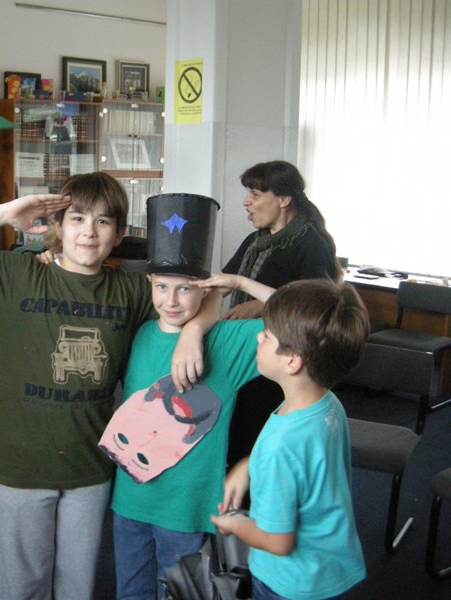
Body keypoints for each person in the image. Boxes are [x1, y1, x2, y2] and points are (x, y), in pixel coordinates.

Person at [0, 173, 220, 600]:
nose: (89, 231)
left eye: (103, 222)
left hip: (89, 466)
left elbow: (206, 291)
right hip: (19, 465)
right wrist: (7, 212)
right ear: (57, 226)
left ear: (119, 234)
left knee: (77, 587)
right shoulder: (18, 275)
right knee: (23, 588)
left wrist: (193, 332)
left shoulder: (130, 289)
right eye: (77, 218)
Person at [104, 193, 269, 600]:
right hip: (130, 500)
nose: (172, 301)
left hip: (187, 508)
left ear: (207, 289)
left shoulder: (227, 342)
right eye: (162, 287)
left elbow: (311, 317)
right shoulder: (142, 333)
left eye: (186, 289)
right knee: (131, 592)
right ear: (149, 283)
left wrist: (238, 285)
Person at [211, 277, 368, 600]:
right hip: (328, 568)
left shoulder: (281, 446)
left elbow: (277, 540)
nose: (258, 336)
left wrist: (236, 525)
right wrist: (248, 466)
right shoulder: (326, 404)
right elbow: (306, 462)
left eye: (267, 335)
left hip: (287, 584)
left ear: (292, 361)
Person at [222, 160, 341, 468]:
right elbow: (225, 281)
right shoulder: (255, 241)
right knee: (237, 435)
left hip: (284, 362)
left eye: (255, 194)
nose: (247, 202)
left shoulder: (311, 244)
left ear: (284, 199)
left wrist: (262, 306)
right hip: (248, 352)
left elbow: (317, 305)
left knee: (261, 441)